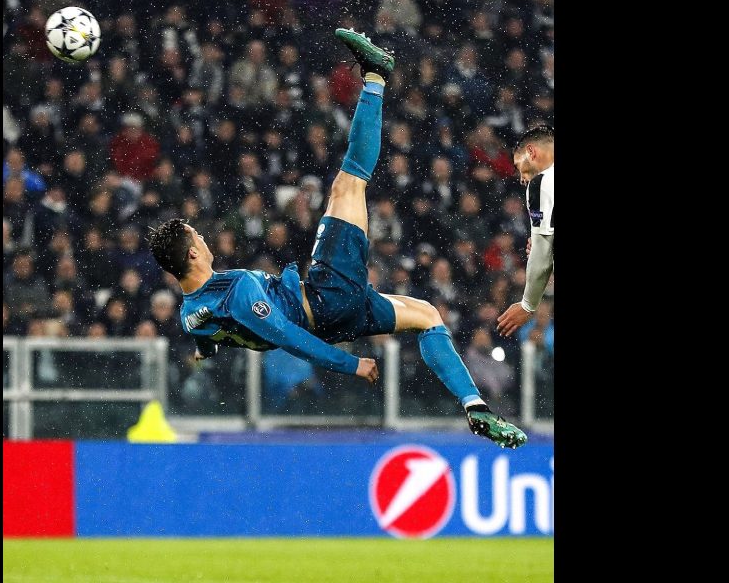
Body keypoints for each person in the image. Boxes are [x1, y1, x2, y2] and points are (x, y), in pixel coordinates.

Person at [148, 30, 527, 448]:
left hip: (334, 315)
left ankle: (475, 405)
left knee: (427, 315)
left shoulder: (191, 313)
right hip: (326, 298)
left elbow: (205, 336)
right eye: (198, 236)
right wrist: (350, 365)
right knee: (349, 184)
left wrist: (206, 352)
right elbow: (288, 337)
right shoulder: (237, 292)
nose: (205, 238)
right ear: (194, 253)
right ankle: (376, 76)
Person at [497, 126, 554, 337]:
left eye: (518, 165)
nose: (521, 178)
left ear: (531, 151)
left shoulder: (543, 183)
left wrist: (527, 305)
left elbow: (541, 256)